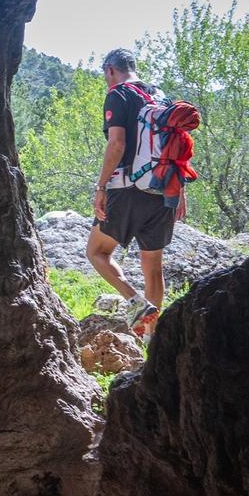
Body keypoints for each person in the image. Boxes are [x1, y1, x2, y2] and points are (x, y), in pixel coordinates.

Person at [87, 47, 187, 338]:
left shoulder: (118, 94)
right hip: (162, 190)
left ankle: (135, 302)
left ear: (110, 70)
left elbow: (116, 145)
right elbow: (176, 147)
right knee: (153, 267)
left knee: (96, 252)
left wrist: (101, 186)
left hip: (127, 189)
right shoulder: (161, 97)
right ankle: (151, 341)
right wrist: (178, 190)